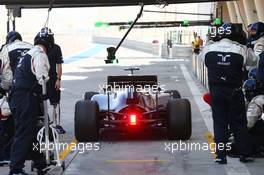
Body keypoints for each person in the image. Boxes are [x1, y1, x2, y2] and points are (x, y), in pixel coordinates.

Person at [199, 23, 258, 164]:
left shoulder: (210, 48)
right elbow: (254, 62)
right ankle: (244, 154)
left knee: (220, 123)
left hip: (216, 91)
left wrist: (211, 43)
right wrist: (246, 45)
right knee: (238, 122)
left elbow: (202, 58)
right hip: (234, 91)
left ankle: (221, 156)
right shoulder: (241, 49)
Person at [9, 29, 54, 175]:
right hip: (26, 98)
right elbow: (42, 76)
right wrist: (45, 94)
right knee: (23, 134)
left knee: (30, 132)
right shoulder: (39, 54)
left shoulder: (28, 54)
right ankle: (15, 169)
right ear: (49, 43)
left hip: (17, 97)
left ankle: (40, 163)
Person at [0, 31, 33, 165]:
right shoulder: (32, 47)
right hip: (33, 93)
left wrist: (5, 87)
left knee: (11, 123)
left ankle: (8, 155)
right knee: (32, 124)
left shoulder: (6, 49)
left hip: (16, 93)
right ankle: (32, 153)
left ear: (9, 40)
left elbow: (6, 75)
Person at [46, 33, 65, 134]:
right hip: (41, 79)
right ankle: (46, 125)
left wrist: (58, 79)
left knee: (55, 103)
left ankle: (57, 124)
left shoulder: (56, 48)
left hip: (53, 79)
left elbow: (59, 64)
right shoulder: (38, 48)